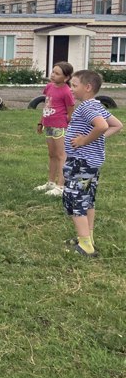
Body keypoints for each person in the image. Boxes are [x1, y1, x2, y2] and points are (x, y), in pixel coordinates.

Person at [62, 70, 122, 257]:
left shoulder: (87, 107)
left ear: (87, 87)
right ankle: (87, 237)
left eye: (74, 85)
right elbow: (117, 125)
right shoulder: (96, 105)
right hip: (90, 165)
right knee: (88, 200)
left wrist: (85, 140)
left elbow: (103, 126)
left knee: (76, 199)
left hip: (81, 164)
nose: (71, 89)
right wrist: (96, 139)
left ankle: (86, 245)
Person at [34, 62, 75, 197]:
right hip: (49, 125)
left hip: (60, 127)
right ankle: (50, 182)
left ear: (67, 78)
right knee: (52, 155)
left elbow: (70, 111)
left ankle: (61, 186)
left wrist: (65, 124)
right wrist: (41, 122)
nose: (52, 75)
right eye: (53, 72)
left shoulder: (67, 92)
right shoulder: (49, 87)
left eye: (57, 73)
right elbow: (47, 105)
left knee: (61, 156)